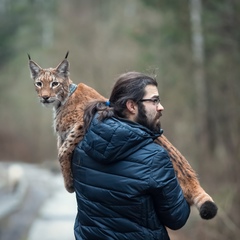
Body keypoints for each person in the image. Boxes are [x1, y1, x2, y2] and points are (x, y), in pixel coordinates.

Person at [72, 72, 190, 240]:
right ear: (132, 106)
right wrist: (183, 191)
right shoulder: (155, 158)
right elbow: (177, 218)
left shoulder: (82, 149)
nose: (161, 107)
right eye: (154, 100)